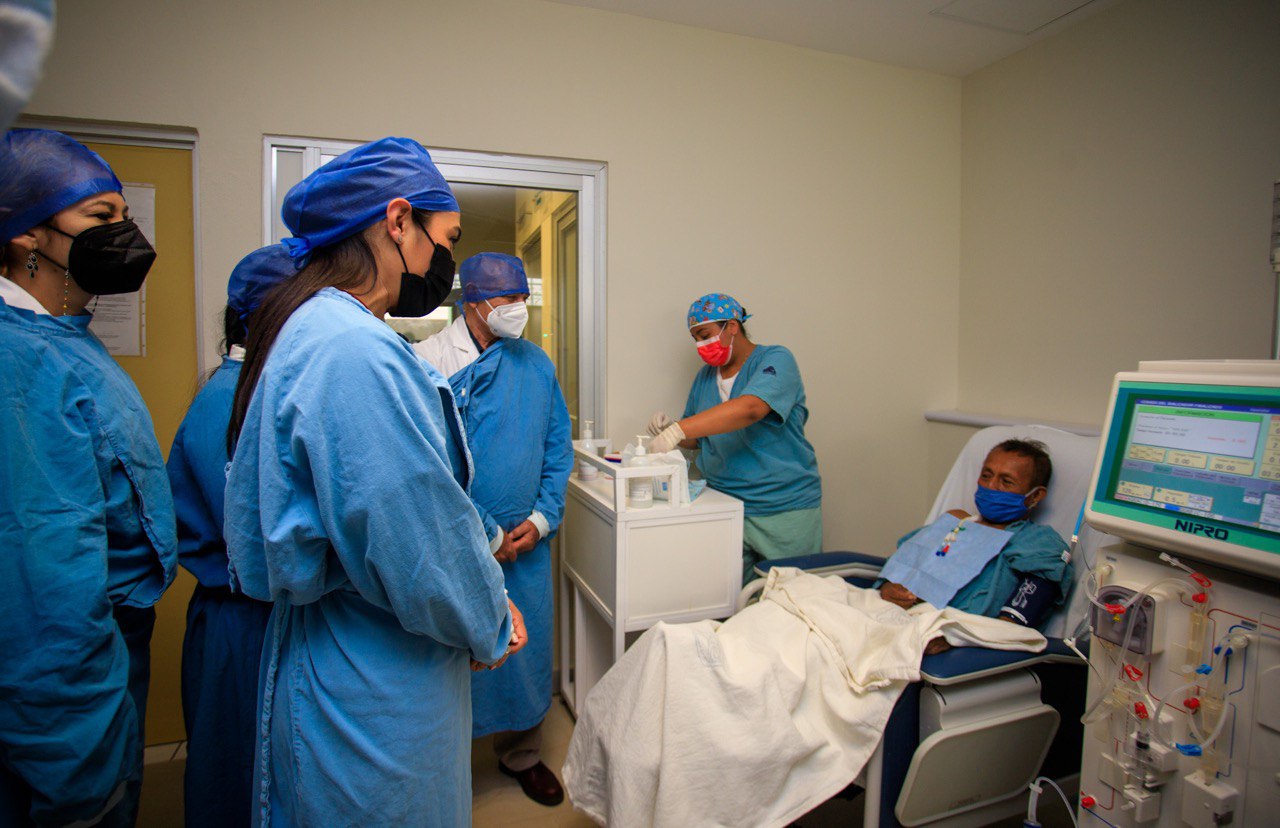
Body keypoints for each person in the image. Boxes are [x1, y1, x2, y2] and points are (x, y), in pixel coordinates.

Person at [223, 137, 527, 827]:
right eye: (446, 239)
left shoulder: (314, 327)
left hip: (342, 648)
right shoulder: (354, 350)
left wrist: (479, 559)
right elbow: (415, 540)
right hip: (374, 672)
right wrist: (486, 620)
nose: (444, 260)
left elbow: (408, 490)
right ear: (398, 220)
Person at [0, 128, 176, 826]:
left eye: (125, 215)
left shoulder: (63, 338)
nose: (126, 234)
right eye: (101, 216)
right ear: (26, 234)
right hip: (72, 684)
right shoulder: (19, 363)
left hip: (110, 652)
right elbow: (43, 583)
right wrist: (76, 759)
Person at [415, 252, 574, 806]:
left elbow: (556, 446)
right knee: (450, 655)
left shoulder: (536, 365)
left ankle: (522, 753)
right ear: (473, 302)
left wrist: (542, 518)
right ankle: (443, 769)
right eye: (508, 299)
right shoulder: (429, 361)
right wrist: (484, 534)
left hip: (525, 546)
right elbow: (428, 466)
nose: (519, 309)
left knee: (523, 659)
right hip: (454, 542)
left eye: (523, 298)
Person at [167, 244, 295, 827]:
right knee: (240, 784)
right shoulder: (230, 403)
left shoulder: (255, 391)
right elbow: (267, 539)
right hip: (242, 623)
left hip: (257, 615)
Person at [648, 292, 822, 580]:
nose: (700, 345)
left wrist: (681, 429)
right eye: (695, 339)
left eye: (705, 335)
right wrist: (671, 429)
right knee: (730, 599)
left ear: (732, 326)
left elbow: (751, 408)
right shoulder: (705, 377)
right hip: (725, 505)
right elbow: (698, 438)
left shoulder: (776, 359)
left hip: (781, 506)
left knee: (793, 597)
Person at [877, 438, 1073, 651]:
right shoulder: (954, 522)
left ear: (1035, 495)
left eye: (1006, 481)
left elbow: (1012, 627)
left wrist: (953, 638)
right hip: (887, 617)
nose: (991, 486)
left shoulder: (1038, 544)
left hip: (945, 636)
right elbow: (897, 570)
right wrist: (887, 589)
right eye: (986, 476)